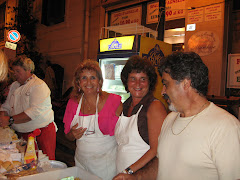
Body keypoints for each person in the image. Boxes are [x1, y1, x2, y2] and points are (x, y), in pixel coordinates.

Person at [113, 51, 240, 180]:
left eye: (166, 84)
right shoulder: (170, 119)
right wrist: (136, 177)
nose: (162, 92)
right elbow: (159, 163)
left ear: (186, 83)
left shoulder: (225, 127)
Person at [63, 59, 122, 180]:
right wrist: (72, 134)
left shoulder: (113, 102)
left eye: (93, 78)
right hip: (81, 162)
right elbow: (67, 136)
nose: (88, 82)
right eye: (84, 78)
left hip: (106, 165)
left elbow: (123, 134)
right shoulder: (73, 103)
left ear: (99, 81)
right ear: (78, 83)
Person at [113, 55, 167, 177]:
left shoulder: (154, 107)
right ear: (126, 82)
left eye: (143, 79)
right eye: (133, 78)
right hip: (122, 173)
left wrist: (129, 171)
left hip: (141, 174)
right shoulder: (124, 106)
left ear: (150, 82)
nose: (138, 84)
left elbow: (156, 150)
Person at [0, 55, 57, 160]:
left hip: (41, 133)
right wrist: (3, 115)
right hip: (22, 133)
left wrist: (9, 120)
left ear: (28, 70)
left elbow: (33, 112)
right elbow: (7, 105)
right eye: (14, 71)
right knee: (27, 163)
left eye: (18, 71)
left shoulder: (39, 85)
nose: (15, 74)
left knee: (45, 162)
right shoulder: (14, 85)